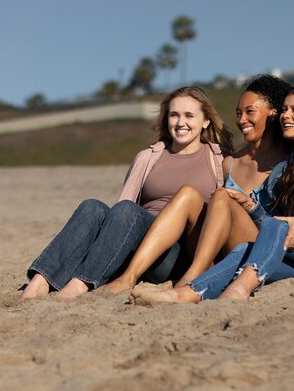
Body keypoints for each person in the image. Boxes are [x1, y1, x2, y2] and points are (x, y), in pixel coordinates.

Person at [130, 85, 294, 305]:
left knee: (277, 226)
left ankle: (239, 290)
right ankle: (188, 292)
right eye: (284, 109)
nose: (286, 115)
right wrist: (251, 206)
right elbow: (267, 226)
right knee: (246, 251)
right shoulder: (283, 169)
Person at [20, 86, 233, 301]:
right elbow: (125, 205)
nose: (180, 122)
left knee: (126, 211)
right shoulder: (148, 157)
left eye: (189, 115)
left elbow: (226, 212)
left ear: (205, 121)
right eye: (174, 115)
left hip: (176, 254)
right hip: (139, 244)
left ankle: (81, 283)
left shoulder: (218, 160)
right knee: (91, 207)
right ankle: (41, 280)